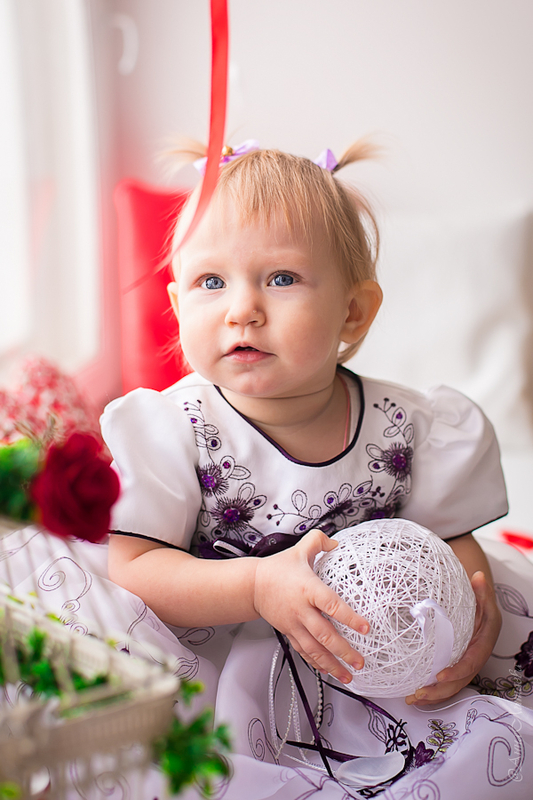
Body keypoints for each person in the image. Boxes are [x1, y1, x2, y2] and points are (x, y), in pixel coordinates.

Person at [100, 142, 531, 795]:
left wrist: (469, 614)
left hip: (375, 655)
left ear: (352, 312)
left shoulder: (408, 425)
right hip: (229, 648)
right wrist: (255, 587)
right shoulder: (174, 429)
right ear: (178, 303)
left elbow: (449, 543)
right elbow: (134, 567)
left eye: (280, 278)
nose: (241, 309)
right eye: (211, 282)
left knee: (489, 744)